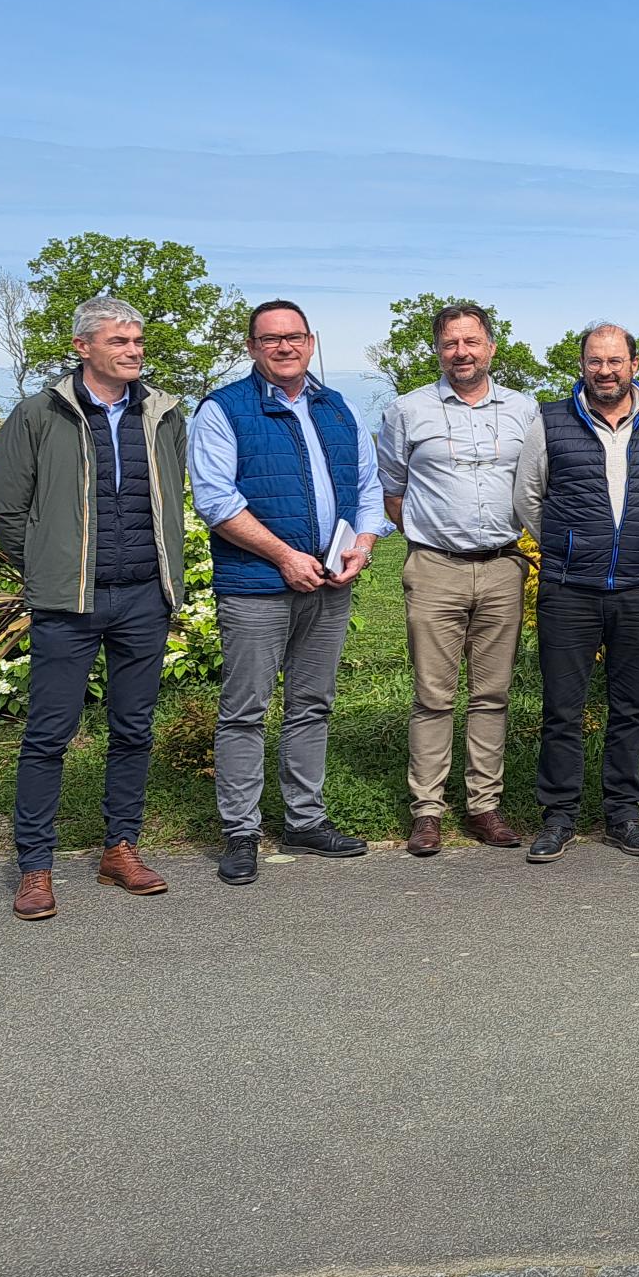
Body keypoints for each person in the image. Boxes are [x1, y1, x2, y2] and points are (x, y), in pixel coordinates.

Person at [0, 297, 189, 920]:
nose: (134, 351)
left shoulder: (163, 413)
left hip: (144, 597)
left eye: (138, 341)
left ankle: (120, 850)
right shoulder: (38, 413)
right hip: (68, 601)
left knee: (133, 729)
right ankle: (35, 867)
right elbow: (7, 506)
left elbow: (173, 493)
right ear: (83, 347)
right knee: (49, 735)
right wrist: (48, 567)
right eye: (119, 341)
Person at [191, 299, 386, 887]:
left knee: (312, 704)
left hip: (329, 583)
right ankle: (241, 831)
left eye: (294, 337)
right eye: (271, 338)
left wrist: (363, 545)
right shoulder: (224, 409)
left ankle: (305, 819)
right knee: (245, 711)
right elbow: (216, 501)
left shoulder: (337, 407)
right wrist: (283, 557)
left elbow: (368, 486)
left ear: (311, 342)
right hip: (256, 587)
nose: (284, 347)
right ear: (252, 347)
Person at [512, 322, 639, 863]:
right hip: (569, 588)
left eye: (615, 361)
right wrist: (567, 545)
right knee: (562, 709)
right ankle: (558, 816)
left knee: (629, 707)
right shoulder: (550, 421)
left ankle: (623, 814)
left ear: (634, 364)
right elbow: (528, 497)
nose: (605, 371)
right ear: (582, 365)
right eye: (595, 361)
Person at [376, 301, 538, 857]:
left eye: (471, 342)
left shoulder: (524, 410)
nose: (461, 352)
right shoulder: (406, 410)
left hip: (503, 566)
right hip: (435, 568)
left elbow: (536, 481)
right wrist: (432, 536)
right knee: (432, 695)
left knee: (492, 694)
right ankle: (427, 810)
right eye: (450, 343)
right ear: (438, 350)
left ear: (490, 347)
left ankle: (484, 806)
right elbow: (392, 488)